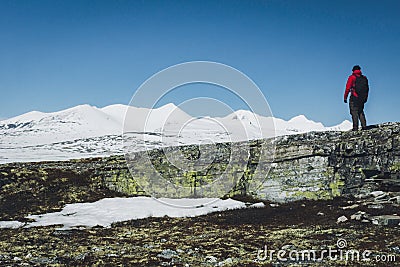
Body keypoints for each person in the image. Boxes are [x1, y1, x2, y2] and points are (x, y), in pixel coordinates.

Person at [344, 65, 369, 131]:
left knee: (354, 112)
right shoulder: (364, 78)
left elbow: (347, 88)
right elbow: (367, 89)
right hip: (362, 98)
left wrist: (345, 97)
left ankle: (355, 128)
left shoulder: (352, 77)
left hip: (354, 97)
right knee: (360, 111)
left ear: (353, 70)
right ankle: (364, 127)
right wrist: (365, 98)